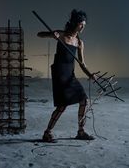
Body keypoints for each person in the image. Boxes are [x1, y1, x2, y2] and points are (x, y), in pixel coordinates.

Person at [37, 9, 96, 142]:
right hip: (59, 74)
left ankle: (81, 132)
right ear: (75, 23)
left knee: (84, 100)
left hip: (70, 75)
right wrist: (51, 34)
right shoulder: (62, 35)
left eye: (84, 25)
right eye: (81, 24)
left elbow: (82, 63)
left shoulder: (80, 43)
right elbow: (39, 34)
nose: (83, 27)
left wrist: (90, 74)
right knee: (62, 105)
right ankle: (47, 133)